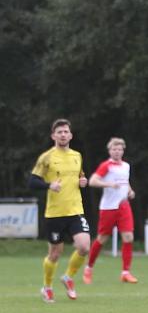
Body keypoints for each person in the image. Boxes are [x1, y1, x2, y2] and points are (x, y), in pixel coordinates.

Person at [27, 119, 90, 302]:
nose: (63, 134)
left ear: (70, 135)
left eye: (66, 131)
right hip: (54, 213)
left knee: (84, 246)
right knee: (55, 254)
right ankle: (47, 287)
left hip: (75, 210)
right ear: (53, 136)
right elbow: (32, 181)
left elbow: (80, 175)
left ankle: (68, 276)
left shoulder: (77, 155)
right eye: (59, 132)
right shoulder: (46, 157)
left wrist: (82, 181)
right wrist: (49, 185)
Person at [83, 137, 138, 284]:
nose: (117, 151)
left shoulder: (126, 166)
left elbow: (125, 183)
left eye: (120, 149)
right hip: (108, 207)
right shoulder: (106, 165)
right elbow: (93, 181)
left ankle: (125, 272)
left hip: (123, 205)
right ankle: (88, 268)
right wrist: (108, 184)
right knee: (102, 239)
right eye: (114, 149)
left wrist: (130, 191)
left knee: (128, 237)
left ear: (123, 150)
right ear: (110, 151)